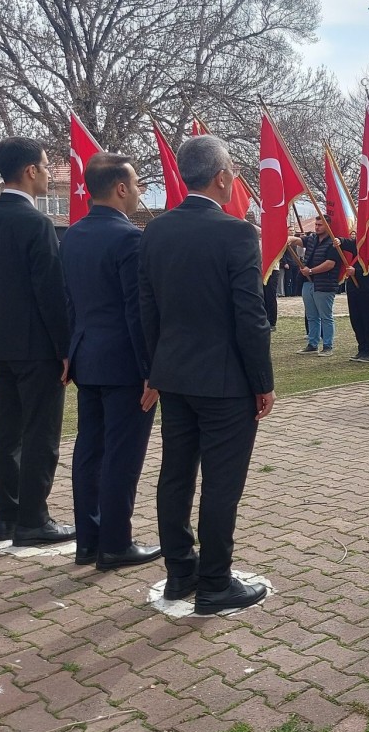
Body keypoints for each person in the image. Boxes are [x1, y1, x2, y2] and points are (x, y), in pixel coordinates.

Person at [139, 134, 274, 615]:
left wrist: (156, 369)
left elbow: (147, 310)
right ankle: (215, 582)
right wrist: (262, 381)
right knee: (221, 483)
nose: (235, 176)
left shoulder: (155, 231)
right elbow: (250, 314)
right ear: (221, 177)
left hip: (175, 375)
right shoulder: (237, 232)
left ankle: (181, 572)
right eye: (232, 169)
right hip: (225, 381)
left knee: (176, 474)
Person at [60, 152, 161, 571]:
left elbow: (68, 301)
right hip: (123, 363)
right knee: (122, 455)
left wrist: (69, 351)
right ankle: (116, 543)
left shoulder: (73, 234)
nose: (138, 192)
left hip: (87, 356)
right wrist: (150, 370)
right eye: (136, 184)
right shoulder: (129, 239)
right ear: (121, 188)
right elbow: (137, 312)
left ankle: (90, 540)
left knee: (89, 450)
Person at [0, 136, 74, 546]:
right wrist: (65, 348)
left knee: (7, 430)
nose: (48, 174)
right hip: (37, 345)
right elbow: (50, 292)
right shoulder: (36, 223)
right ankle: (34, 520)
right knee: (40, 432)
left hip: (1, 339)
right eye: (46, 166)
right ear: (31, 170)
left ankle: (8, 517)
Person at [291, 216, 342, 356]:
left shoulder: (334, 242)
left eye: (320, 225)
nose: (317, 227)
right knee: (311, 316)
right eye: (316, 224)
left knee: (326, 316)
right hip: (308, 282)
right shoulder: (312, 239)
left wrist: (311, 271)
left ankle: (327, 346)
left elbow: (330, 264)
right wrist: (289, 238)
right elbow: (299, 241)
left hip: (325, 283)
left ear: (328, 225)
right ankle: (312, 343)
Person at [336, 234, 369, 363]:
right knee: (356, 319)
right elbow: (348, 243)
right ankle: (361, 348)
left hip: (367, 288)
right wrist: (340, 240)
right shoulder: (359, 244)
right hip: (353, 288)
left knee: (367, 320)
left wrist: (357, 272)